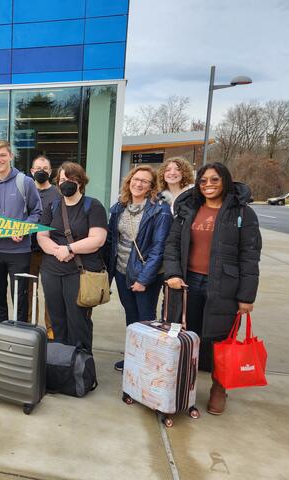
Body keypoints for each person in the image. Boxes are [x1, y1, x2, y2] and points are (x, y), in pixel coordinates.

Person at [164, 162, 262, 415]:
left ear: (225, 181)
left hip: (224, 285)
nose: (208, 185)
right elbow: (173, 244)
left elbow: (250, 257)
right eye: (203, 181)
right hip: (187, 283)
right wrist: (173, 273)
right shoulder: (189, 208)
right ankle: (184, 387)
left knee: (221, 340)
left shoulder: (242, 213)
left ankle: (219, 389)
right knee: (186, 336)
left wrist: (246, 296)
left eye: (214, 180)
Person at [103, 165, 172, 371]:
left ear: (152, 186)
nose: (138, 183)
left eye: (144, 181)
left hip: (146, 273)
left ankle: (148, 362)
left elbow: (158, 248)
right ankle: (134, 355)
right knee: (131, 316)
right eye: (135, 179)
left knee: (146, 319)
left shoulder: (160, 210)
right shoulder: (119, 207)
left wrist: (144, 279)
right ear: (129, 181)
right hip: (122, 270)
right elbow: (112, 241)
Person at [0, 140, 42, 334]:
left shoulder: (25, 182)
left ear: (11, 156)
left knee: (19, 300)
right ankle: (2, 338)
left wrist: (24, 228)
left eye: (3, 155)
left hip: (19, 253)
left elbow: (37, 212)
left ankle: (18, 341)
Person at [37, 162, 106, 353]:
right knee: (56, 318)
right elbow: (42, 236)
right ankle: (61, 361)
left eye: (70, 179)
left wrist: (69, 249)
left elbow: (98, 239)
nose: (66, 183)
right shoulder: (52, 206)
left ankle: (81, 364)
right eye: (62, 180)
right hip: (52, 271)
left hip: (79, 272)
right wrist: (58, 250)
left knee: (78, 320)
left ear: (80, 181)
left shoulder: (93, 206)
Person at [29, 155, 61, 339]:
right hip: (28, 250)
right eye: (38, 168)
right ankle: (29, 326)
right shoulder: (25, 190)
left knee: (51, 292)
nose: (41, 171)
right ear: (32, 171)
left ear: (50, 172)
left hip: (50, 251)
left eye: (45, 168)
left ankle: (52, 330)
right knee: (29, 292)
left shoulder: (57, 193)